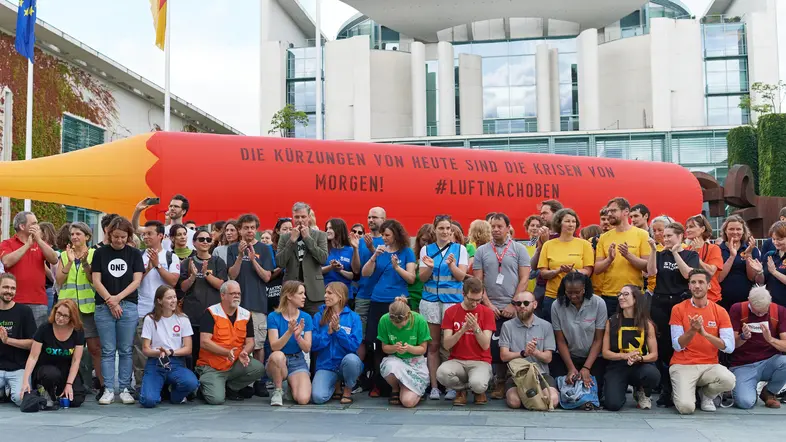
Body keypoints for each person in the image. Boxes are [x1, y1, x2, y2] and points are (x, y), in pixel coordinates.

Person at [472, 212, 531, 399]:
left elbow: (524, 278)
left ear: (508, 228)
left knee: (510, 344)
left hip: (513, 306)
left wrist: (514, 304)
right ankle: (492, 381)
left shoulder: (519, 249)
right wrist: (487, 304)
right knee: (491, 345)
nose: (496, 229)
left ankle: (507, 381)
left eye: (500, 226)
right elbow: (477, 280)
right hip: (490, 306)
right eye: (493, 226)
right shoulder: (482, 250)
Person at [91, 217, 144, 405]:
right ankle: (107, 389)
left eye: (123, 237)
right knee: (107, 349)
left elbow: (137, 281)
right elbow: (96, 280)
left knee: (125, 349)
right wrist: (110, 301)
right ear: (109, 234)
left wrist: (118, 299)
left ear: (128, 236)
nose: (119, 240)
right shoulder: (99, 254)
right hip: (104, 305)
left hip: (128, 304)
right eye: (115, 237)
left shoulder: (135, 254)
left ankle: (124, 388)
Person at [646, 222, 699, 407]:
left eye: (670, 236)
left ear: (680, 237)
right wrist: (653, 250)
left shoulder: (690, 254)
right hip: (660, 301)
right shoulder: (660, 254)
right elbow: (650, 272)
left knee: (680, 344)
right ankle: (665, 388)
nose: (666, 239)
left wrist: (676, 253)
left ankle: (683, 387)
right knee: (663, 346)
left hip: (680, 301)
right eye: (664, 236)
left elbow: (688, 275)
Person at [669, 269, 736, 415]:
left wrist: (704, 333)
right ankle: (686, 393)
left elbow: (729, 347)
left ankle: (706, 395)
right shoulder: (678, 309)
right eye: (693, 282)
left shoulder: (720, 311)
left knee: (729, 380)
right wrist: (692, 330)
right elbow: (677, 345)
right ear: (689, 286)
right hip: (683, 364)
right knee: (686, 408)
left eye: (701, 282)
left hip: (709, 365)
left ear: (709, 286)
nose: (697, 286)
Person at [362, 219, 417, 395]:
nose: (384, 238)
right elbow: (365, 273)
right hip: (377, 299)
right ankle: (379, 383)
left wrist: (397, 267)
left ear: (396, 235)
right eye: (383, 235)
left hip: (397, 301)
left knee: (396, 340)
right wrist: (373, 256)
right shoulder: (380, 251)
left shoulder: (407, 252)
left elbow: (411, 278)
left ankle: (398, 382)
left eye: (387, 235)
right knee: (377, 342)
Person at [419, 215, 469, 400]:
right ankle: (434, 387)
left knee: (450, 346)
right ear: (435, 229)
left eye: (448, 228)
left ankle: (451, 386)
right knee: (432, 346)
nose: (445, 231)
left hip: (452, 303)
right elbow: (422, 278)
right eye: (441, 228)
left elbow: (461, 276)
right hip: (430, 301)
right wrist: (430, 267)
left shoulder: (460, 249)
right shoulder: (426, 249)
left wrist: (452, 265)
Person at [196, 281, 265, 404]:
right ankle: (206, 385)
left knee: (259, 368)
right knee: (216, 400)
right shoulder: (211, 312)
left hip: (234, 364)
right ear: (223, 295)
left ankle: (230, 387)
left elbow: (250, 342)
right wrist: (226, 352)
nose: (237, 296)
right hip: (212, 366)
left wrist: (245, 352)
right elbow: (204, 342)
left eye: (238, 293)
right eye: (233, 293)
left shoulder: (246, 314)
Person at [55, 222, 103, 395]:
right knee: (67, 347)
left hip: (88, 308)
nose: (75, 237)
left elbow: (94, 281)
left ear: (87, 237)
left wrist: (84, 264)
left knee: (94, 348)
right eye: (72, 234)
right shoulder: (63, 255)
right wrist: (68, 261)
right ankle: (66, 383)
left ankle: (102, 385)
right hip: (67, 309)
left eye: (78, 234)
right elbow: (59, 281)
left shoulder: (94, 254)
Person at [228, 213, 273, 393]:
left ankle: (259, 380)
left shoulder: (264, 248)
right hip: (237, 306)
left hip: (258, 304)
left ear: (257, 229)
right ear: (240, 230)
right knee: (239, 344)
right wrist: (240, 255)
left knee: (259, 344)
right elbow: (232, 275)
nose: (249, 231)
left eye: (252, 227)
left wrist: (253, 260)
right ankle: (244, 382)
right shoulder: (232, 249)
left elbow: (267, 277)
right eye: (246, 228)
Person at [134, 220, 181, 393]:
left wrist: (158, 265)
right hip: (142, 309)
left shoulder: (171, 256)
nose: (146, 236)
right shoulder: (138, 255)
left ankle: (164, 386)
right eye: (144, 234)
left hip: (165, 313)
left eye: (150, 233)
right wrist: (147, 267)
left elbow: (173, 281)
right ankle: (141, 386)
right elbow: (136, 281)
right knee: (140, 350)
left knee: (164, 346)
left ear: (160, 236)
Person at [436, 277, 494, 405]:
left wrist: (476, 328)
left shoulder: (487, 313)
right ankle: (461, 390)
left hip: (480, 361)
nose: (474, 304)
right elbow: (446, 345)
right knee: (441, 374)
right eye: (471, 299)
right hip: (457, 361)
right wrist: (462, 330)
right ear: (463, 294)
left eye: (478, 300)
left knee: (478, 384)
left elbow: (485, 345)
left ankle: (477, 390)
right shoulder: (451, 312)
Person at [138, 285, 199, 408]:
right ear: (159, 300)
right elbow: (145, 348)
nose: (173, 301)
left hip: (175, 362)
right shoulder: (150, 319)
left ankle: (175, 396)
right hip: (155, 363)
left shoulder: (183, 319)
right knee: (148, 401)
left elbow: (188, 349)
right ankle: (156, 390)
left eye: (175, 297)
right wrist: (158, 352)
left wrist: (170, 352)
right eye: (169, 298)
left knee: (192, 383)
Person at [601, 285, 660, 410]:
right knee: (613, 405)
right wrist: (624, 356)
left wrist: (640, 358)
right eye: (620, 295)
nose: (621, 297)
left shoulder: (647, 324)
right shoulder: (611, 321)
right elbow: (605, 352)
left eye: (625, 294)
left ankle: (642, 391)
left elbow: (654, 355)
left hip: (639, 365)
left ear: (636, 298)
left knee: (652, 374)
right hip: (617, 365)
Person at [20, 299, 86, 408]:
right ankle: (44, 390)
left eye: (65, 316)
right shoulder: (44, 328)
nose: (60, 318)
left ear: (72, 317)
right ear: (54, 311)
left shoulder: (78, 331)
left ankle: (58, 394)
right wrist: (25, 380)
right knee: (51, 374)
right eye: (58, 313)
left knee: (76, 400)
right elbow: (33, 356)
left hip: (66, 368)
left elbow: (76, 360)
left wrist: (69, 384)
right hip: (46, 368)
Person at [499, 291, 559, 410]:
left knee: (553, 400)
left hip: (541, 374)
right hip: (517, 376)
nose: (522, 306)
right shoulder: (507, 326)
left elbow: (548, 358)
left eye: (526, 303)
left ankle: (533, 398)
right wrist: (523, 353)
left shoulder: (545, 326)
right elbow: (504, 356)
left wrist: (535, 352)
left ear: (535, 305)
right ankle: (532, 399)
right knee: (514, 402)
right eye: (518, 303)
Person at [729, 285, 786, 409]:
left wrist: (770, 339)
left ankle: (769, 392)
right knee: (745, 403)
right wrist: (743, 337)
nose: (760, 315)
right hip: (743, 364)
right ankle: (747, 390)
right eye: (756, 311)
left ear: (769, 303)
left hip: (769, 361)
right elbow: (730, 345)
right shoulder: (738, 309)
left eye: (763, 311)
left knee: (784, 362)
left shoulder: (779, 311)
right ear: (749, 301)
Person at [550, 272, 608, 394]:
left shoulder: (599, 303)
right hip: (568, 356)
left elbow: (599, 339)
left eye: (577, 292)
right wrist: (571, 368)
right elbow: (560, 340)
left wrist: (586, 368)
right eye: (569, 292)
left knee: (594, 391)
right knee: (564, 390)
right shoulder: (556, 305)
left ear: (584, 289)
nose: (573, 296)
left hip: (593, 357)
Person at [0, 211, 59, 327]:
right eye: (34, 223)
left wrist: (40, 241)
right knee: (14, 337)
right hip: (14, 300)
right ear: (22, 226)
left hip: (38, 301)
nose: (38, 226)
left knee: (36, 340)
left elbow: (54, 259)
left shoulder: (39, 244)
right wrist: (27, 245)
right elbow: (7, 262)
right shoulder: (7, 243)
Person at [594, 197, 650, 316]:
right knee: (610, 332)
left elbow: (647, 267)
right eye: (608, 211)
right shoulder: (604, 237)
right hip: (609, 295)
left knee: (633, 332)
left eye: (613, 211)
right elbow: (597, 269)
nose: (609, 214)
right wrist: (609, 259)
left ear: (626, 212)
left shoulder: (642, 235)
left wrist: (628, 255)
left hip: (634, 295)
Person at [179, 229, 227, 367]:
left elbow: (221, 285)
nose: (205, 242)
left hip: (213, 316)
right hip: (192, 315)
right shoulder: (187, 263)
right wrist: (193, 276)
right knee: (192, 353)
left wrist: (206, 274)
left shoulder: (218, 261)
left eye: (208, 239)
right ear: (194, 243)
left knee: (211, 352)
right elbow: (182, 287)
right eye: (201, 239)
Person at [537, 208, 594, 322]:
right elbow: (543, 273)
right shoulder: (548, 245)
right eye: (567, 221)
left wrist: (574, 272)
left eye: (573, 221)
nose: (571, 224)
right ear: (559, 223)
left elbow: (588, 271)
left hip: (577, 297)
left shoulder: (585, 244)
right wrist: (557, 271)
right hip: (553, 296)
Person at [311, 282, 363, 405]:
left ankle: (348, 390)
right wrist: (328, 333)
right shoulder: (318, 316)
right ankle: (335, 385)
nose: (325, 296)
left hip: (346, 363)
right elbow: (313, 344)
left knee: (352, 360)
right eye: (325, 292)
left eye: (329, 293)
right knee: (318, 397)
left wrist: (339, 331)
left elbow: (354, 346)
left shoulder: (354, 317)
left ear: (340, 296)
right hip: (326, 365)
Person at [266, 281, 313, 406]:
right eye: (301, 293)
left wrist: (298, 337)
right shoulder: (273, 316)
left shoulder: (306, 317)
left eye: (304, 293)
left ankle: (289, 386)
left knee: (303, 399)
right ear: (289, 296)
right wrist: (289, 332)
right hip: (278, 362)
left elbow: (307, 348)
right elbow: (274, 346)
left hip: (297, 361)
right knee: (277, 355)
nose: (304, 297)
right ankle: (278, 390)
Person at [378, 297, 431, 408]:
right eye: (394, 324)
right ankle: (396, 388)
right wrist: (394, 348)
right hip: (396, 359)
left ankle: (412, 389)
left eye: (401, 324)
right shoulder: (384, 320)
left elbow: (423, 349)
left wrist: (409, 348)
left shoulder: (419, 320)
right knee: (389, 366)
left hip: (415, 361)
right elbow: (385, 347)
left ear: (408, 316)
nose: (397, 326)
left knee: (408, 402)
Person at [277, 202, 329, 315]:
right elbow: (280, 262)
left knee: (315, 327)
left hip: (314, 292)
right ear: (293, 217)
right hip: (291, 291)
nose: (300, 220)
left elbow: (323, 259)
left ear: (309, 217)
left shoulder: (320, 235)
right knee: (290, 325)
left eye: (303, 216)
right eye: (297, 217)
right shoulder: (285, 237)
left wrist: (308, 239)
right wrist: (291, 241)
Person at [0, 273, 36, 406]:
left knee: (22, 400)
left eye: (12, 288)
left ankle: (9, 391)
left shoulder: (24, 311)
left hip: (18, 368)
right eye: (5, 287)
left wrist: (8, 340)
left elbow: (32, 343)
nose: (9, 291)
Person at [718, 215, 763, 310]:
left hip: (745, 299)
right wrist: (732, 256)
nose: (735, 232)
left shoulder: (751, 249)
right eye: (731, 229)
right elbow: (719, 277)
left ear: (743, 231)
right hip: (722, 300)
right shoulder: (717, 249)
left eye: (738, 229)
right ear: (725, 231)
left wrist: (748, 254)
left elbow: (751, 277)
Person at [685, 214, 724, 304]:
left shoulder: (713, 248)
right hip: (690, 299)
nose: (687, 230)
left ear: (702, 229)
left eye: (691, 227)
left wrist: (695, 255)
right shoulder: (686, 250)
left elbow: (710, 272)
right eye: (686, 227)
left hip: (711, 298)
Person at [322, 218, 355, 294]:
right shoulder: (323, 249)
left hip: (345, 294)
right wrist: (331, 267)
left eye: (330, 228)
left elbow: (354, 275)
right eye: (327, 228)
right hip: (326, 293)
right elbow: (316, 271)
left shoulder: (351, 250)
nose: (327, 231)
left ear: (339, 229)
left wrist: (340, 271)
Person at [408, 224, 434, 312]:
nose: (426, 244)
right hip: (412, 298)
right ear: (418, 239)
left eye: (430, 241)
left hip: (429, 298)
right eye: (424, 240)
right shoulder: (411, 253)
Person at [763, 221, 786, 307]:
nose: (776, 242)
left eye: (779, 239)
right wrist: (758, 272)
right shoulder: (769, 255)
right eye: (773, 239)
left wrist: (774, 272)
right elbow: (762, 281)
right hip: (771, 306)